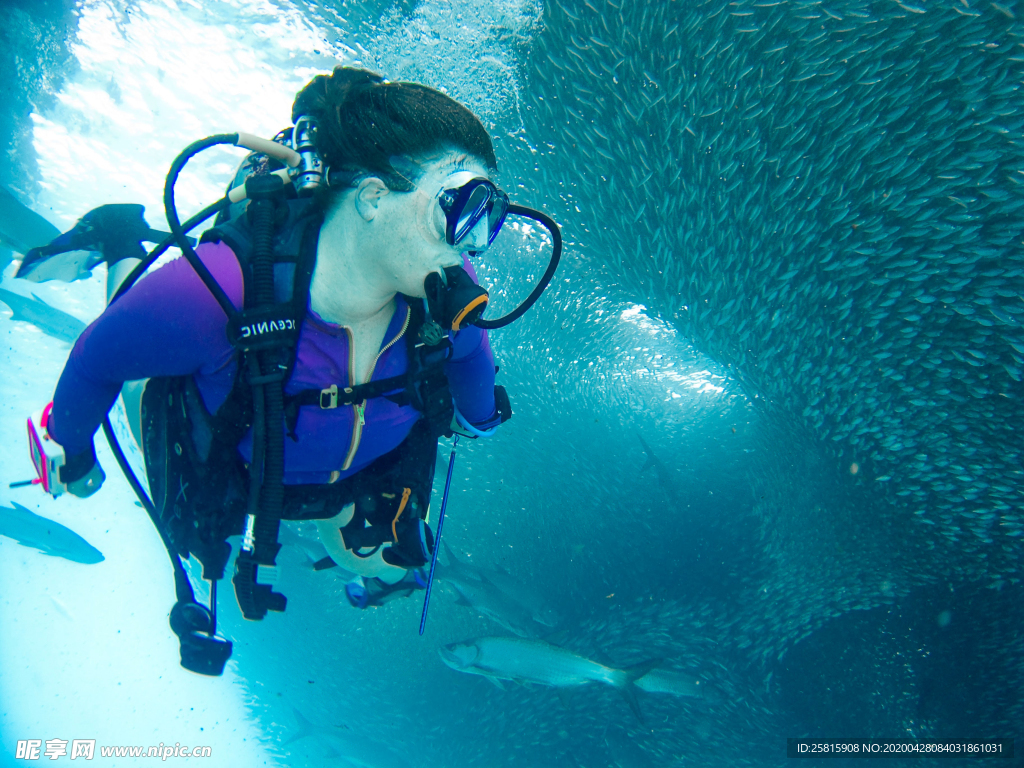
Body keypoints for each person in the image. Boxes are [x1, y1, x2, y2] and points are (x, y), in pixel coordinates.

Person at [43, 66, 518, 654]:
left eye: (487, 219)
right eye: (460, 209)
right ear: (372, 198)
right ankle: (119, 240)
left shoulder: (442, 288)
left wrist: (477, 416)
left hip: (348, 478)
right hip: (230, 455)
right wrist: (73, 446)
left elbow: (472, 358)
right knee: (144, 388)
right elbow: (99, 355)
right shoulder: (219, 288)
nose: (471, 244)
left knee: (385, 560)